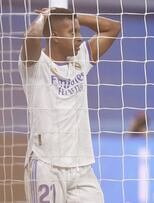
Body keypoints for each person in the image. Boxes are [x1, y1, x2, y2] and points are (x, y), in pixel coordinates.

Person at [18, 7, 120, 203]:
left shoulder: (80, 58)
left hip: (81, 167)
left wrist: (74, 18)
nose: (80, 38)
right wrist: (44, 18)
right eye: (72, 32)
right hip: (46, 166)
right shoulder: (35, 65)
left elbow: (113, 28)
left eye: (78, 31)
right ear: (55, 36)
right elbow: (31, 37)